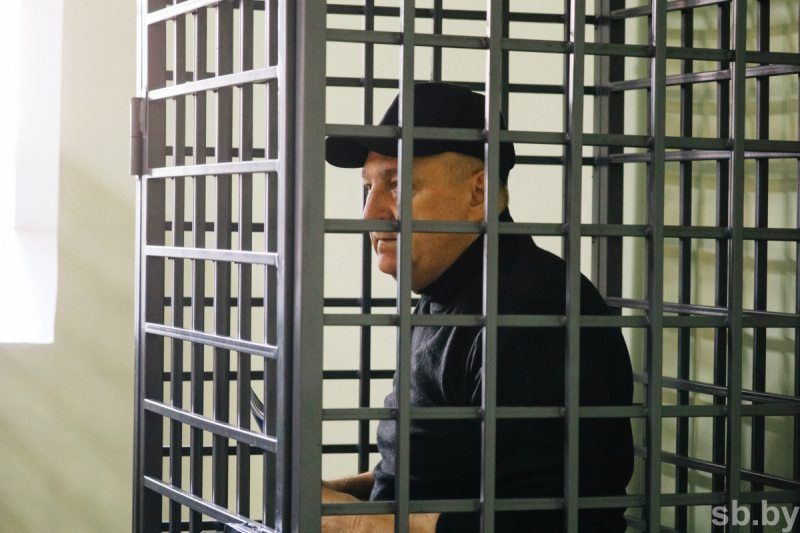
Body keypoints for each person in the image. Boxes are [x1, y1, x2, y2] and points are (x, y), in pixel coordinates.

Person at [322, 82, 634, 532]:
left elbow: (539, 523)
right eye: (368, 187)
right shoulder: (453, 293)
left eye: (398, 184)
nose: (370, 213)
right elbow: (435, 467)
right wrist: (332, 494)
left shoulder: (533, 315)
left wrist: (350, 523)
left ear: (479, 194)